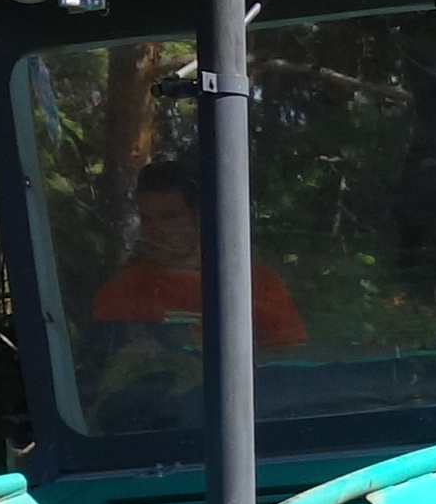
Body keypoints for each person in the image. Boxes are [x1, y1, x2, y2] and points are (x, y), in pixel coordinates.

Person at [88, 156, 304, 419]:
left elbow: (290, 365)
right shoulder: (118, 294)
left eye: (169, 217)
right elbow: (107, 384)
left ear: (200, 217)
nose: (156, 230)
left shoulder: (257, 283)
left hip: (250, 421)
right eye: (147, 219)